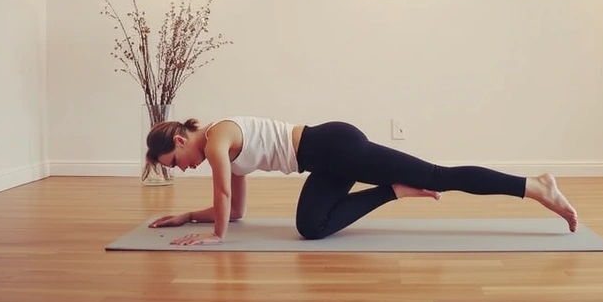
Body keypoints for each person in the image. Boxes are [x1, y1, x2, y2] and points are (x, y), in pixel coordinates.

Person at [144, 115, 578, 246]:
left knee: (437, 176)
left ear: (182, 139)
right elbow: (235, 211)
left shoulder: (219, 138)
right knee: (310, 228)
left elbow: (221, 196)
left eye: (174, 160)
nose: (180, 167)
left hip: (337, 147)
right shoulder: (221, 152)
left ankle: (536, 186)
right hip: (325, 163)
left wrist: (214, 236)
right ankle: (393, 191)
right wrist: (187, 216)